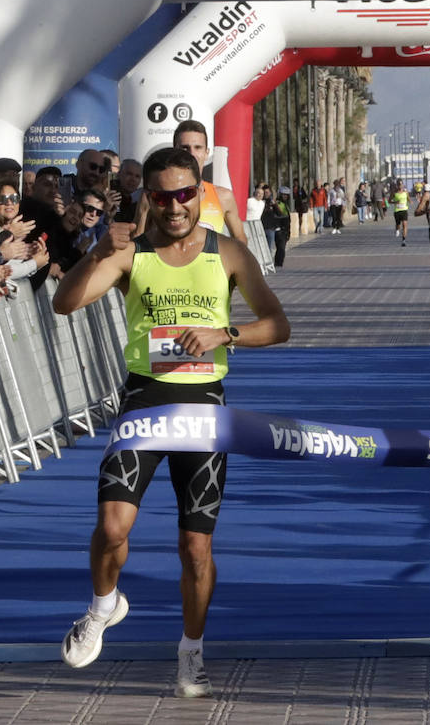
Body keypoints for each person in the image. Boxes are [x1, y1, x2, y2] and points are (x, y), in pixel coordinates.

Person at [51, 146, 290, 698]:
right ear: (148, 199)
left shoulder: (227, 253)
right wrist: (94, 253)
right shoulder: (130, 253)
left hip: (204, 409)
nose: (175, 206)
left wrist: (223, 335)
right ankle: (103, 607)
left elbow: (278, 325)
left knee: (195, 548)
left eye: (185, 194)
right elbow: (64, 305)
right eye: (162, 196)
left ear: (199, 192)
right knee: (112, 528)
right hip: (143, 402)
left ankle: (191, 652)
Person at [391, 180, 410, 246]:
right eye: (399, 184)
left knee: (404, 225)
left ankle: (404, 240)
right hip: (397, 211)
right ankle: (397, 229)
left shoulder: (406, 192)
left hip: (404, 210)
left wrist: (410, 201)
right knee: (398, 225)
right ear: (397, 185)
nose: (400, 185)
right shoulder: (394, 193)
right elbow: (389, 201)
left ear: (403, 185)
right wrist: (395, 202)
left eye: (401, 184)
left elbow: (408, 199)